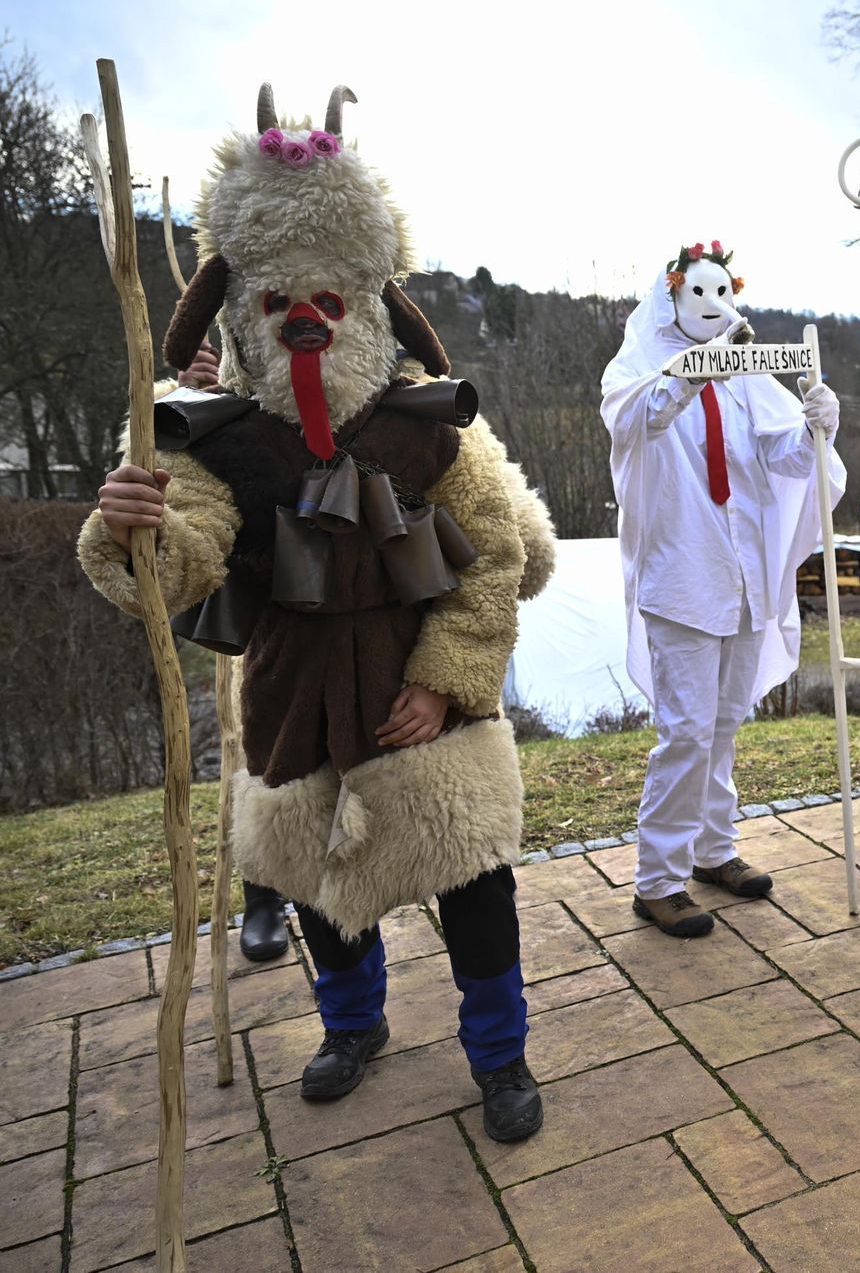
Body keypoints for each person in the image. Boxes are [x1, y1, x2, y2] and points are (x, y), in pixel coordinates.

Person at [81, 83, 556, 1142]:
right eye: (279, 302)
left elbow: (494, 558)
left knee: (473, 881)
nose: (305, 321)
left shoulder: (433, 429)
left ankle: (500, 1054)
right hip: (293, 687)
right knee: (312, 875)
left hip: (419, 687)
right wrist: (132, 525)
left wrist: (443, 684)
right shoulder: (221, 442)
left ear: (367, 303)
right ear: (245, 311)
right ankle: (353, 1026)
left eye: (330, 303)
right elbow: (186, 556)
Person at [600, 243, 844, 936]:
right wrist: (692, 374)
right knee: (685, 731)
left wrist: (814, 426)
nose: (712, 307)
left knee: (726, 722)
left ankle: (712, 849)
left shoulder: (746, 374)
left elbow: (781, 458)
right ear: (673, 294)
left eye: (722, 292)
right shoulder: (637, 368)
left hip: (741, 576)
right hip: (681, 576)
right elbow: (638, 418)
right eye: (696, 293)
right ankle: (658, 879)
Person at [174, 341, 289, 963]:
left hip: (345, 578)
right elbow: (173, 481)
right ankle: (264, 893)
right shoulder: (228, 353)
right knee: (262, 758)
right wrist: (189, 394)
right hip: (256, 595)